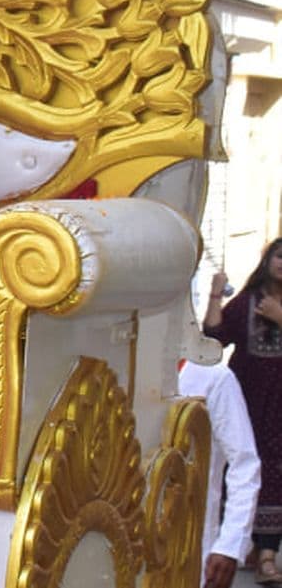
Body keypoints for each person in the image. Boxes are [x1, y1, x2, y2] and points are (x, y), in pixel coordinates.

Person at [205, 244, 282, 584]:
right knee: (241, 465)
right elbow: (214, 338)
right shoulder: (248, 301)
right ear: (267, 261)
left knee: (277, 471)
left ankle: (266, 554)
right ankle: (240, 543)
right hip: (247, 400)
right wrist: (214, 295)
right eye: (279, 256)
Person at [178, 357, 261, 588]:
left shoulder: (214, 379)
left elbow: (244, 464)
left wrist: (230, 545)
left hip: (193, 544)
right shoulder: (122, 370)